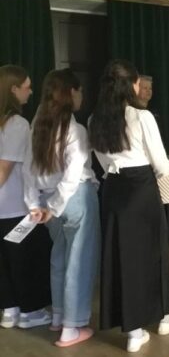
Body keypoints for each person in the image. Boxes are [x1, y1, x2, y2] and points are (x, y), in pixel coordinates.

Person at [89, 59, 169, 352]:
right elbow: (161, 164)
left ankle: (133, 332)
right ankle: (166, 317)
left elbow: (101, 161)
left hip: (112, 189)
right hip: (141, 188)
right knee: (154, 253)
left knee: (120, 256)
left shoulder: (94, 120)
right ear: (131, 85)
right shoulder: (142, 117)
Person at [22, 69, 100, 347]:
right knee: (80, 261)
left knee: (59, 257)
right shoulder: (75, 130)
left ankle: (57, 316)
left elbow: (28, 171)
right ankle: (71, 327)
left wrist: (36, 205)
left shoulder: (37, 128)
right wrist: (55, 206)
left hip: (46, 201)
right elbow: (72, 175)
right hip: (74, 199)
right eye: (80, 91)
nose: (82, 96)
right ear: (72, 93)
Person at [0, 64, 52, 330]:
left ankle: (9, 309)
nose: (30, 92)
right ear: (13, 89)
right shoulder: (17, 124)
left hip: (5, 208)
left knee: (4, 261)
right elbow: (4, 169)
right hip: (16, 205)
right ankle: (30, 312)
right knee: (25, 260)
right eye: (27, 87)